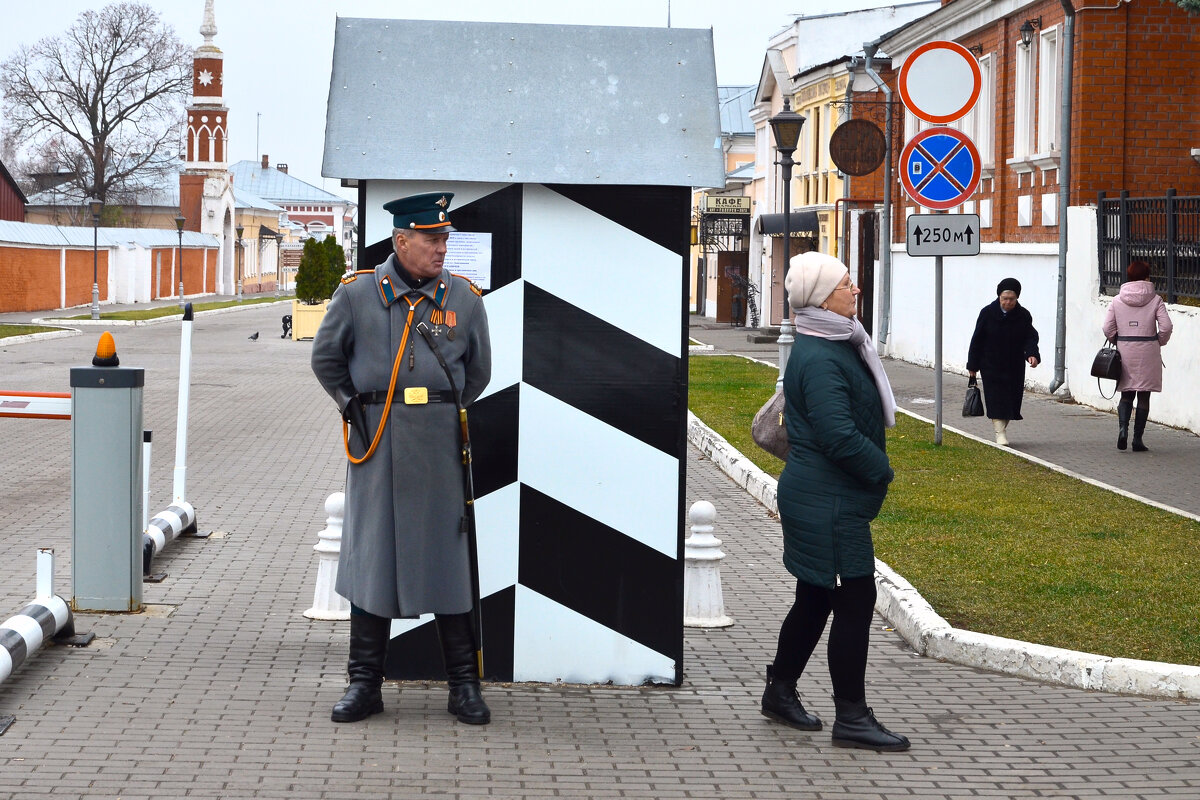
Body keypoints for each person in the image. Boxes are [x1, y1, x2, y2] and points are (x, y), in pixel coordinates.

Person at [311, 192, 492, 725]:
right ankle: (364, 685)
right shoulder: (358, 295)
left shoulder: (464, 298)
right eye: (432, 239)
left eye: (445, 239)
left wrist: (439, 411)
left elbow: (477, 374)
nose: (442, 249)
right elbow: (325, 359)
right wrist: (354, 410)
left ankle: (464, 687)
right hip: (378, 445)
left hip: (438, 451)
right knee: (373, 561)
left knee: (449, 564)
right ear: (401, 240)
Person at [761, 251, 909, 752]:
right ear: (824, 298)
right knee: (855, 600)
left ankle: (779, 692)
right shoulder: (822, 354)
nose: (856, 290)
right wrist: (882, 470)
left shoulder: (835, 339)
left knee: (816, 597)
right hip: (827, 499)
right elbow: (838, 435)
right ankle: (852, 717)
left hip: (824, 494)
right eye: (848, 284)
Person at [1102, 260, 1172, 452]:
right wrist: (1159, 341)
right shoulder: (1156, 300)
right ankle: (1137, 440)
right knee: (1143, 396)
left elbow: (1107, 327)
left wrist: (1118, 340)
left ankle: (1123, 429)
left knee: (1126, 394)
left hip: (1125, 349)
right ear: (1147, 277)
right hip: (1148, 350)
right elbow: (1166, 327)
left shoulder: (1117, 300)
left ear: (1129, 277)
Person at [966, 278, 1040, 446]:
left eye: (1011, 299)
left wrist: (1032, 354)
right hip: (991, 364)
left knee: (1012, 400)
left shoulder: (1023, 315)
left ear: (1017, 298)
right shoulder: (987, 313)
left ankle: (1002, 428)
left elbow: (1030, 337)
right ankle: (1000, 433)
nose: (1007, 302)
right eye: (1004, 298)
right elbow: (976, 340)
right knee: (996, 398)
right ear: (999, 296)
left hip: (1014, 365)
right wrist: (972, 367)